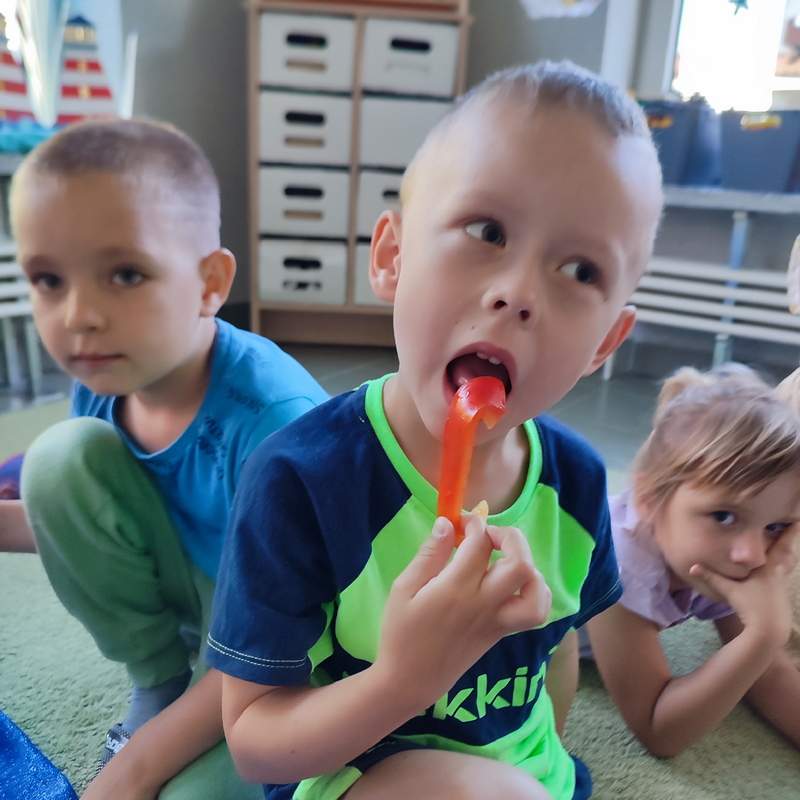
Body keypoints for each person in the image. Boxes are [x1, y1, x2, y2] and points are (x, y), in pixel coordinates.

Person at [206, 60, 664, 800]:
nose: (518, 293)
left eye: (581, 271)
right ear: (392, 258)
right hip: (348, 773)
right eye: (487, 231)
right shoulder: (300, 480)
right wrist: (405, 678)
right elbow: (257, 746)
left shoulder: (577, 484)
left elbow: (554, 658)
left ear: (604, 345)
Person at [4, 118, 329, 800]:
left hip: (297, 641)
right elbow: (91, 525)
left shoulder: (274, 422)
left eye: (125, 274)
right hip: (209, 593)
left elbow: (285, 632)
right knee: (54, 462)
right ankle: (158, 678)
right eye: (49, 280)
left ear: (210, 283)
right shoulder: (106, 375)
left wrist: (139, 766)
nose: (79, 315)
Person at [586, 364, 800, 758]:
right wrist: (766, 633)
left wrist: (761, 641)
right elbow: (658, 730)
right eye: (723, 516)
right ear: (649, 499)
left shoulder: (719, 558)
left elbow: (766, 673)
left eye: (776, 526)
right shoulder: (618, 567)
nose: (751, 555)